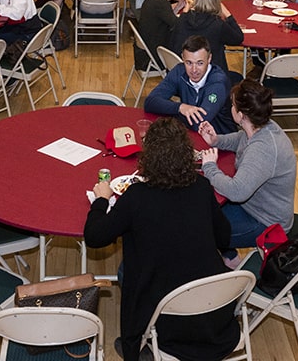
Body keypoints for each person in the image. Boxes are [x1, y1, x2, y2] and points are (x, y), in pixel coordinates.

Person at [84, 117, 237, 361]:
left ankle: (136, 345)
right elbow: (224, 237)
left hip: (167, 317)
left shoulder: (137, 196)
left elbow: (94, 237)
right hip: (213, 310)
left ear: (149, 157)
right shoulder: (200, 186)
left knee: (130, 270)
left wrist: (102, 199)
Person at [199, 79, 296, 264]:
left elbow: (237, 192)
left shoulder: (263, 149)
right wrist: (216, 140)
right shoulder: (261, 127)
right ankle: (231, 257)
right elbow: (241, 139)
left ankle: (216, 272)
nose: (230, 107)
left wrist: (210, 167)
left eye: (233, 105)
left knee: (199, 228)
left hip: (265, 223)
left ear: (241, 115)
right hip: (254, 207)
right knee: (205, 207)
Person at [144, 35, 234, 134]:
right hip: (188, 134)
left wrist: (168, 109)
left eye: (200, 63)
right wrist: (180, 107)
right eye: (189, 63)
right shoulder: (179, 71)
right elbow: (150, 102)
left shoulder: (218, 83)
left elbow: (199, 124)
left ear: (209, 59)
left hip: (219, 140)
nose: (194, 70)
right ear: (182, 58)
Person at [169, 0, 243, 76]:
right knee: (239, 77)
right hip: (211, 75)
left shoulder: (183, 18)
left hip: (184, 71)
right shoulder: (218, 24)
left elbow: (173, 42)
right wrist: (228, 14)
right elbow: (238, 38)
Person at [136, 0, 186, 68]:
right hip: (153, 57)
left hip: (145, 51)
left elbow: (167, 19)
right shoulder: (161, 4)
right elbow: (178, 25)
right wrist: (186, 10)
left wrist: (178, 8)